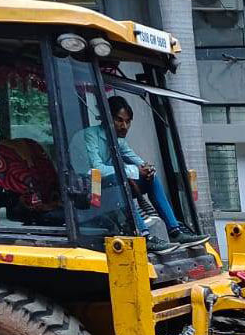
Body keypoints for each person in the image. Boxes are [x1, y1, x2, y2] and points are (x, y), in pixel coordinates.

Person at [80, 96, 205, 247]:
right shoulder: (90, 135)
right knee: (119, 179)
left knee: (151, 179)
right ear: (106, 117)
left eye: (128, 121)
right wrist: (133, 170)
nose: (124, 126)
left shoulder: (119, 141)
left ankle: (175, 231)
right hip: (87, 191)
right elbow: (97, 170)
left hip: (109, 189)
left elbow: (139, 163)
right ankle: (144, 236)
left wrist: (149, 169)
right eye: (119, 120)